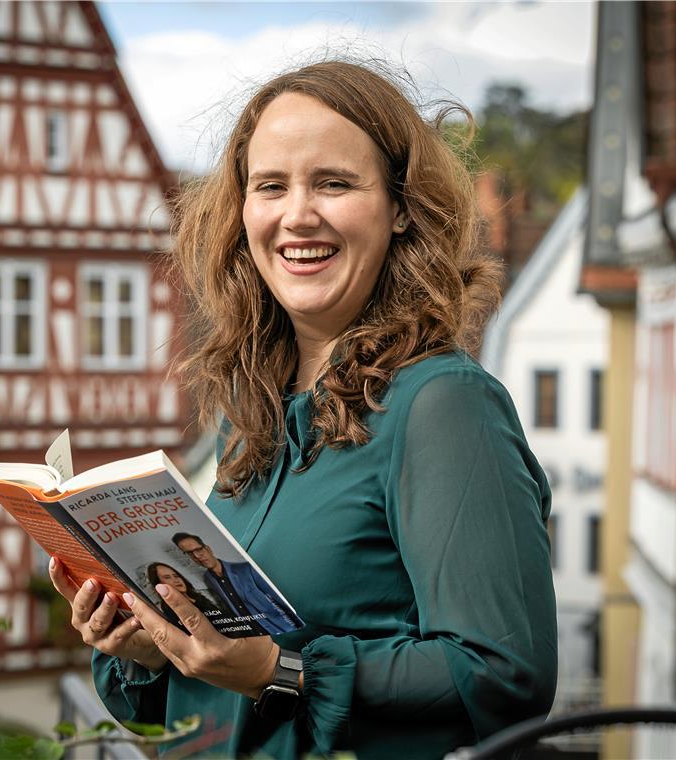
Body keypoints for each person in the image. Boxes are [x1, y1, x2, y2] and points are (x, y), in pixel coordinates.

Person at [49, 59, 557, 758]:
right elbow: (204, 708)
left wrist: (278, 671)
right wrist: (154, 646)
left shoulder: (444, 405)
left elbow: (504, 675)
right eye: (271, 187)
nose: (296, 215)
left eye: (334, 183)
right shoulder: (253, 413)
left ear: (401, 206)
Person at [170, 533, 299, 635]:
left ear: (208, 549)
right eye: (190, 554)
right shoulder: (207, 579)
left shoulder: (245, 569)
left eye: (198, 549)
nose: (197, 556)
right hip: (252, 639)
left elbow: (278, 600)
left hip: (280, 628)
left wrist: (295, 626)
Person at [145, 561, 226, 620]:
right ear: (159, 584)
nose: (176, 580)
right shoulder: (169, 610)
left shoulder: (200, 595)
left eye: (176, 575)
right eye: (167, 577)